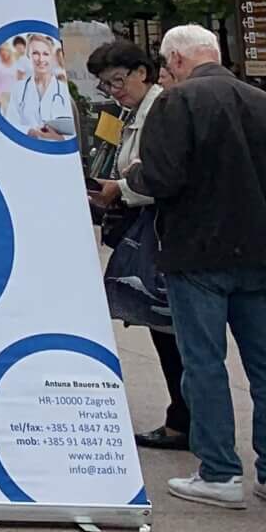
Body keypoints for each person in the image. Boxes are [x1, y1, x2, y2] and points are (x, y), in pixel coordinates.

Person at [123, 24, 266, 510]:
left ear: (177, 61)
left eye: (165, 66)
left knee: (204, 362)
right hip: (261, 251)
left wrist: (131, 173)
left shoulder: (176, 104)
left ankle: (220, 470)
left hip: (197, 252)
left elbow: (161, 177)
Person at [84, 39, 189, 451]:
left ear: (142, 72)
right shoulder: (127, 113)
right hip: (141, 225)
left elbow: (159, 174)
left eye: (119, 80)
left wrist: (121, 188)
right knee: (162, 330)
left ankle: (185, 419)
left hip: (162, 232)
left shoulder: (162, 111)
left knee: (171, 330)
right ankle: (182, 415)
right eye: (106, 85)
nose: (114, 90)